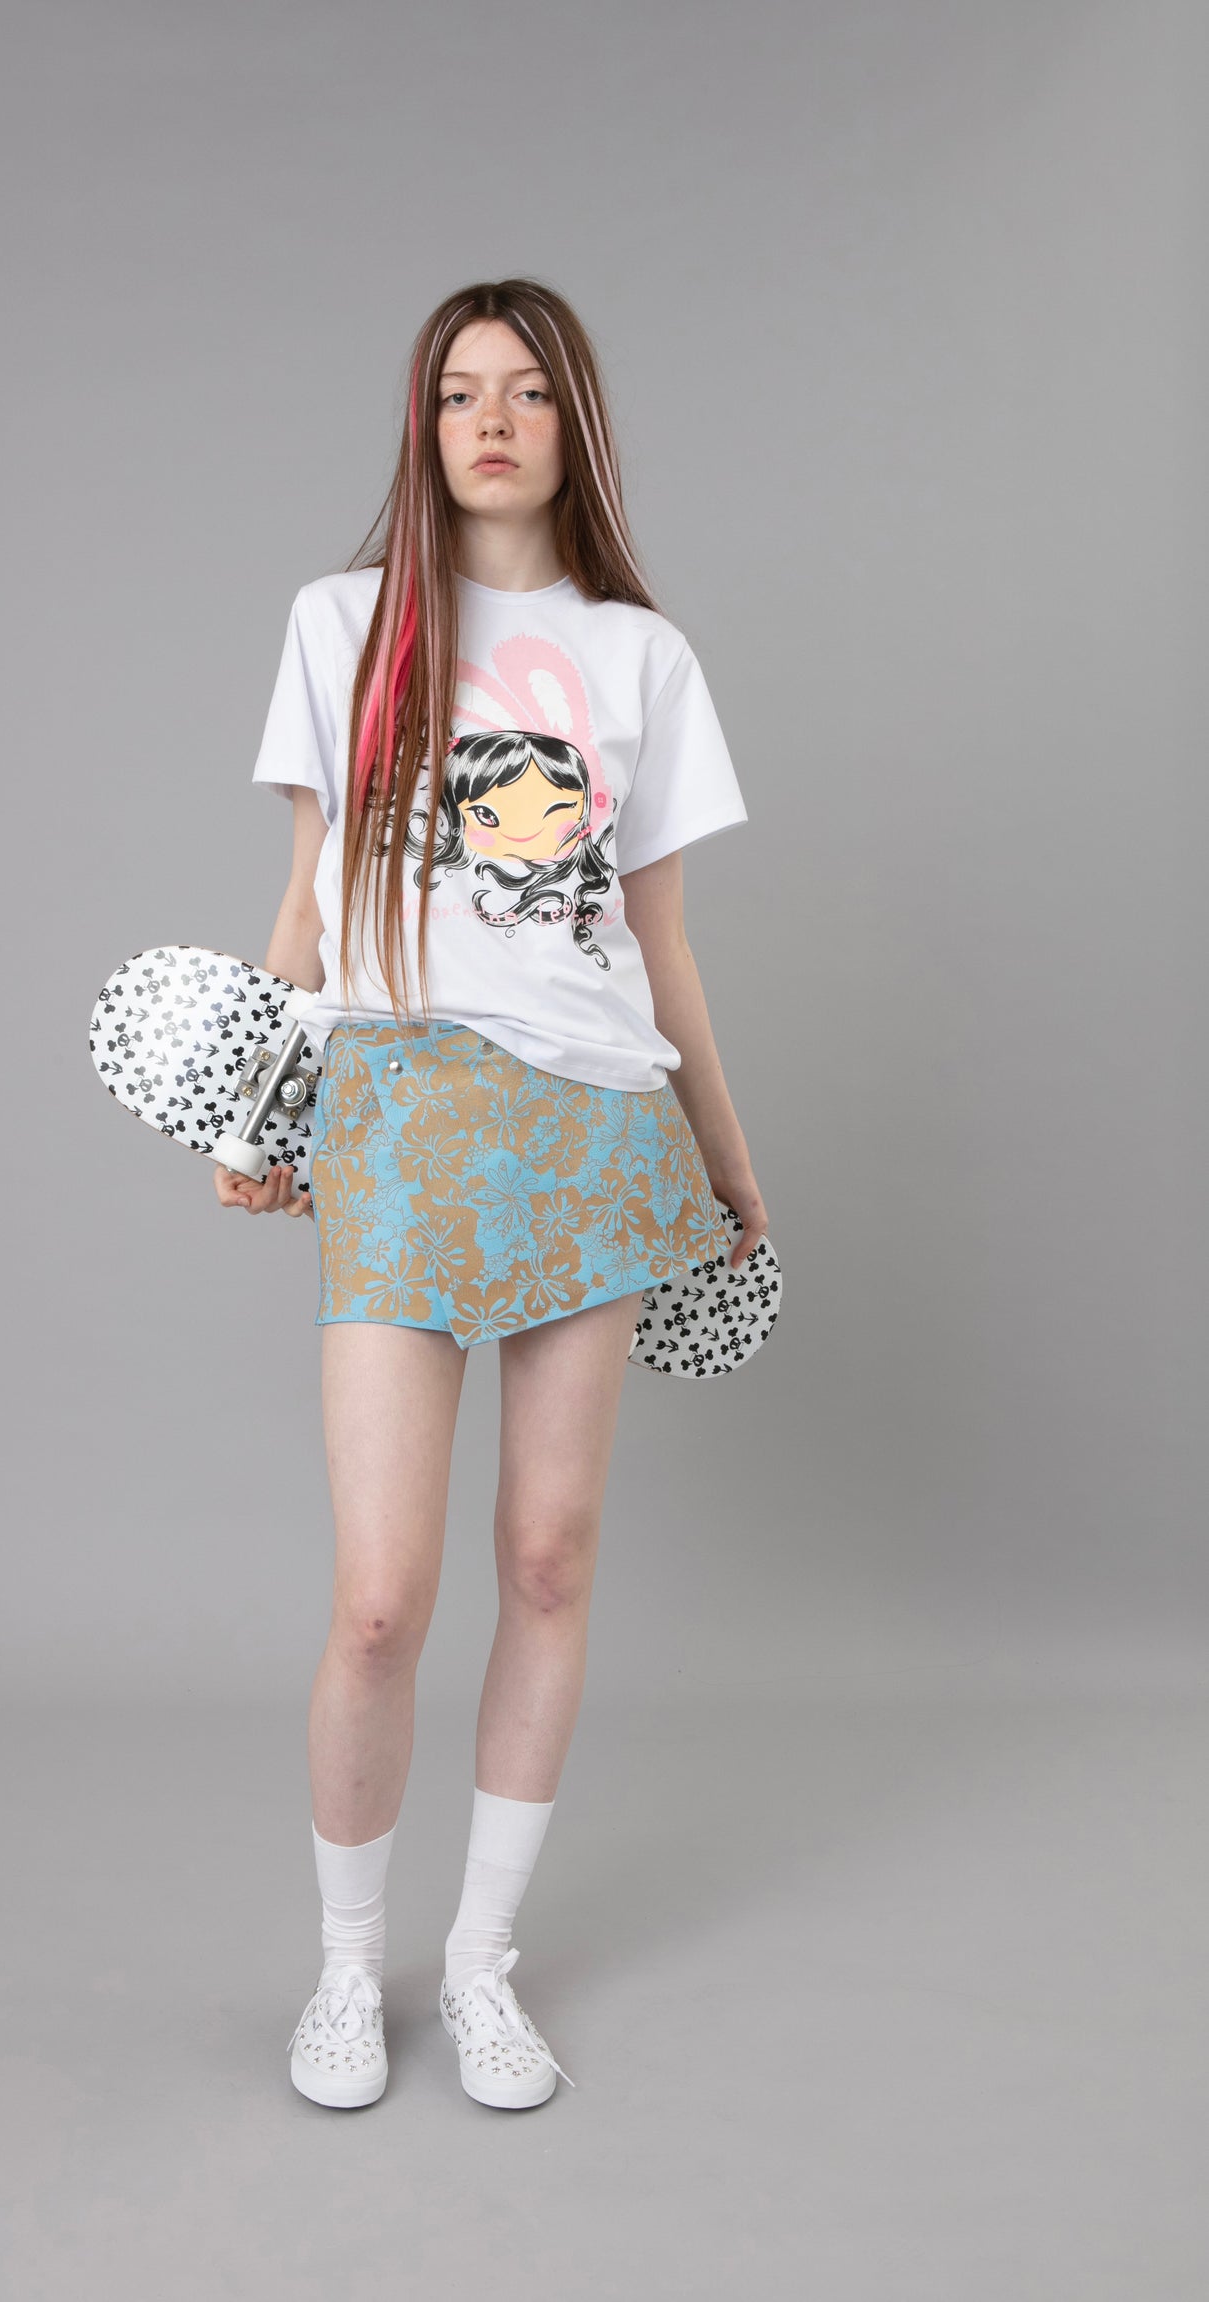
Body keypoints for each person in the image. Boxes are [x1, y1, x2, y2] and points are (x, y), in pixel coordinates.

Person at [219, 277, 768, 2111]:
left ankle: (481, 1966)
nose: (493, 422)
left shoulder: (642, 657)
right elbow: (309, 899)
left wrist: (727, 1157)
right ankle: (343, 1970)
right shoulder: (345, 622)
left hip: (597, 1121)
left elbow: (661, 941)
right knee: (383, 1594)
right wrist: (260, 1101)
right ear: (424, 422)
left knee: (547, 1558)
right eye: (461, 392)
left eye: (528, 391)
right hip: (398, 1111)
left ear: (573, 423)